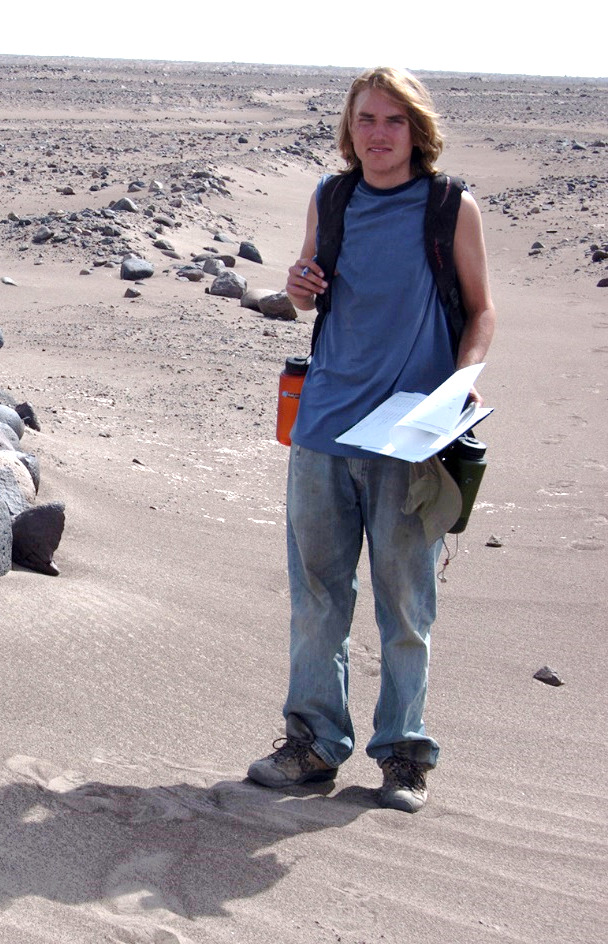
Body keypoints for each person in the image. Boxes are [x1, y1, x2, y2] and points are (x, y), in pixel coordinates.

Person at [247, 66, 496, 813]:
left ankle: (403, 755)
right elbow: (305, 290)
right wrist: (296, 288)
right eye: (365, 120)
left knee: (403, 604)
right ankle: (313, 746)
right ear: (348, 131)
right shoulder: (333, 196)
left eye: (392, 120)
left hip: (409, 436)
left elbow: (481, 313)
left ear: (415, 130)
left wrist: (464, 380)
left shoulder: (450, 207)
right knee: (315, 598)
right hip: (322, 427)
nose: (377, 134)